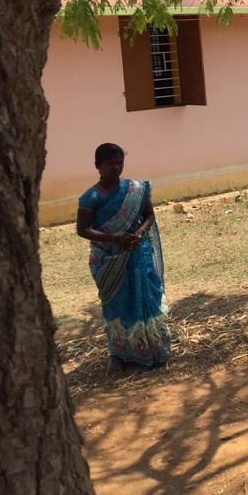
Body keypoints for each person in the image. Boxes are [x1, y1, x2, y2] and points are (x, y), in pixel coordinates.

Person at [76, 143, 171, 370]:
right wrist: (115, 238)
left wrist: (139, 232)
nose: (116, 168)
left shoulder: (136, 189)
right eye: (110, 164)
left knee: (147, 298)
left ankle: (155, 350)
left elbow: (149, 216)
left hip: (139, 253)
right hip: (111, 258)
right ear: (98, 166)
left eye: (120, 163)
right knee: (117, 303)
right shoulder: (90, 197)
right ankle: (121, 356)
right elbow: (83, 229)